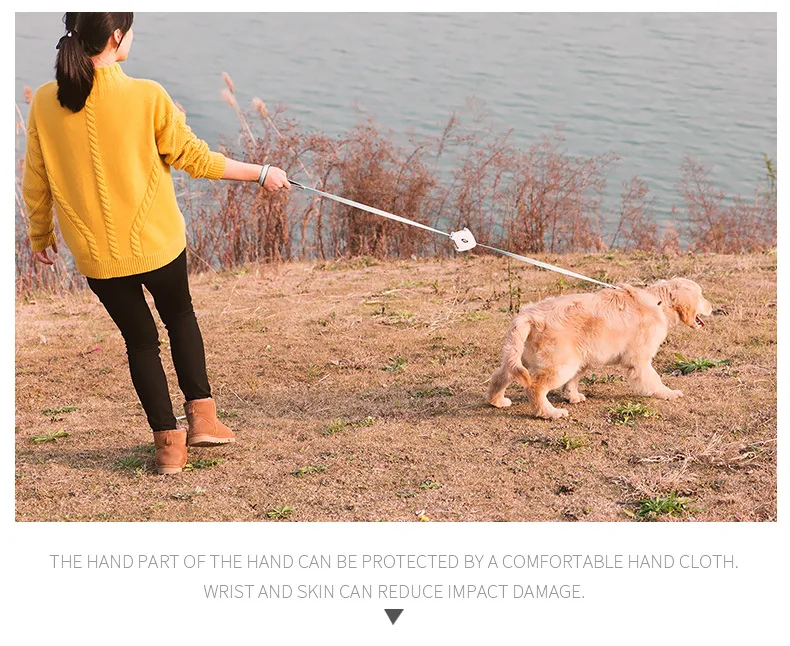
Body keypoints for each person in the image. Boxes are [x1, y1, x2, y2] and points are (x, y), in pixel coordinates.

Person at [21, 12, 289, 474]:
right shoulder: (146, 95)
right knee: (180, 317)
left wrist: (40, 234)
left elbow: (36, 179)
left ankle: (169, 448)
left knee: (140, 343)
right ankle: (204, 420)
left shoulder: (46, 101)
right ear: (116, 36)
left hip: (97, 254)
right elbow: (197, 159)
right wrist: (262, 173)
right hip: (158, 242)